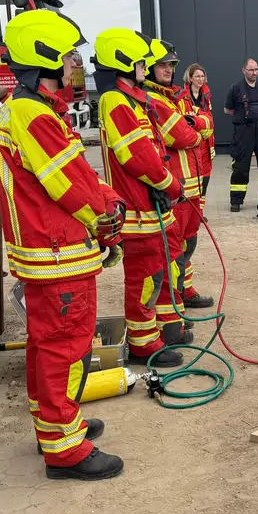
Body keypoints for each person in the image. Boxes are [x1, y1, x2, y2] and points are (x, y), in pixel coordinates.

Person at [0, 9, 127, 480]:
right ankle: (65, 450)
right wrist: (108, 221)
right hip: (57, 252)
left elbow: (78, 171)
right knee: (66, 348)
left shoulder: (32, 110)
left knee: (46, 346)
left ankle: (54, 425)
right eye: (70, 57)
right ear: (45, 57)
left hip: (50, 252)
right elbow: (69, 185)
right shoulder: (32, 113)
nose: (76, 65)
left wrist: (104, 198)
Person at [94, 27, 186, 367]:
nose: (146, 71)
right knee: (144, 278)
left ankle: (159, 331)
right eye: (142, 65)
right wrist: (171, 185)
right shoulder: (116, 102)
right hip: (138, 210)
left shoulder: (132, 100)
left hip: (150, 208)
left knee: (158, 273)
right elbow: (138, 157)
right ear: (125, 63)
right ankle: (144, 343)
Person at [145, 39, 215, 349]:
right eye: (163, 65)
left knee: (188, 242)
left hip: (191, 184)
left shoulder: (172, 97)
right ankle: (174, 309)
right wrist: (195, 128)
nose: (168, 71)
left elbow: (207, 127)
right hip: (176, 187)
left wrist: (197, 126)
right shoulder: (160, 99)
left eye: (171, 66)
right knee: (173, 252)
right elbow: (184, 135)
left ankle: (184, 292)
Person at [224, 57, 258, 211]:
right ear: (243, 70)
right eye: (251, 70)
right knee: (240, 166)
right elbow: (228, 109)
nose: (254, 73)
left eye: (256, 69)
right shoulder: (236, 88)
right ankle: (236, 201)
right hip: (243, 131)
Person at [179, 63, 216, 202]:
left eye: (202, 76)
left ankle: (200, 210)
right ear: (190, 78)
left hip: (206, 140)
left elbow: (210, 119)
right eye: (197, 76)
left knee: (206, 175)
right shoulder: (182, 96)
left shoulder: (206, 95)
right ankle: (193, 210)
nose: (200, 79)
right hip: (192, 140)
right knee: (193, 176)